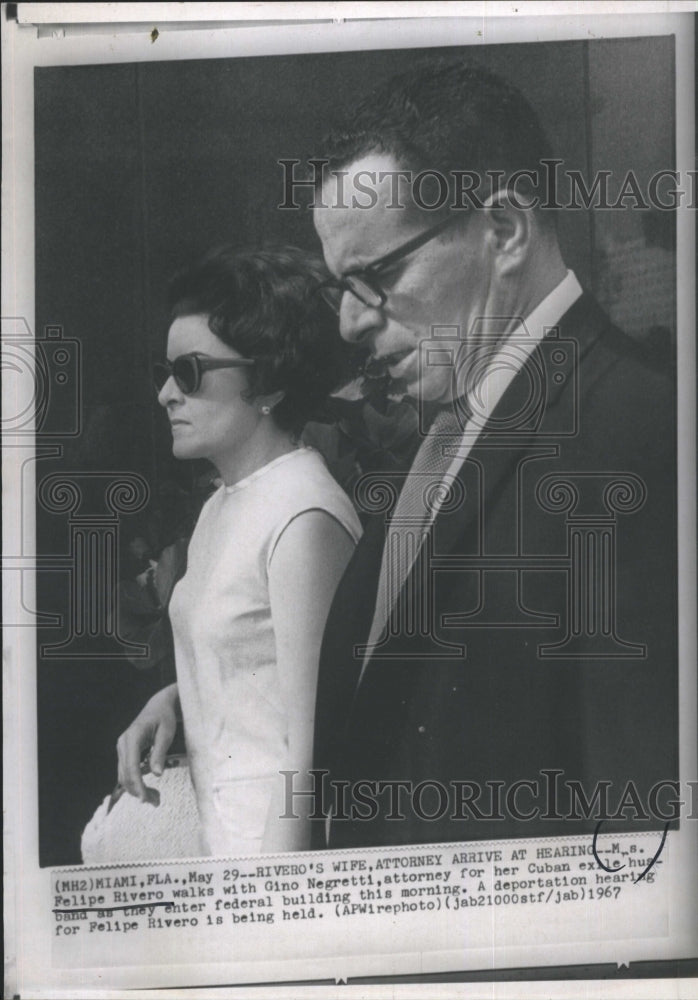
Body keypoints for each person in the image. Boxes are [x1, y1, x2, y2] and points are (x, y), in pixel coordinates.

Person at [308, 61, 677, 848]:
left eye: (376, 274)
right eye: (338, 286)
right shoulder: (447, 433)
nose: (349, 322)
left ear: (504, 232)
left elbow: (645, 837)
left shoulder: (641, 436)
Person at [108, 245, 361, 859]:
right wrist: (173, 699)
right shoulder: (224, 503)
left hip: (271, 856)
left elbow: (308, 749)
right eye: (165, 372)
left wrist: (271, 896)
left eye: (189, 373)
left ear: (266, 382)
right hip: (222, 843)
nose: (166, 394)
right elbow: (259, 664)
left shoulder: (303, 516)